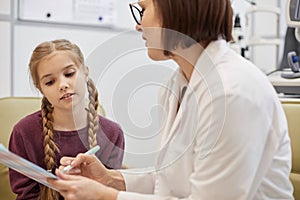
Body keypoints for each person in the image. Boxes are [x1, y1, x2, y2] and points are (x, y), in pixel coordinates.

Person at [49, 0, 294, 199]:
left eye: (142, 10)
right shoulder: (176, 86)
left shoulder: (232, 92)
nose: (138, 25)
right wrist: (110, 179)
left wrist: (107, 197)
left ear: (175, 8)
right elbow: (170, 181)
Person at [8, 39, 125, 200]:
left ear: (85, 72)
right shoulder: (23, 132)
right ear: (40, 88)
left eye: (69, 74)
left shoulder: (112, 133)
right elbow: (25, 194)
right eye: (50, 82)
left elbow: (110, 191)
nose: (62, 85)